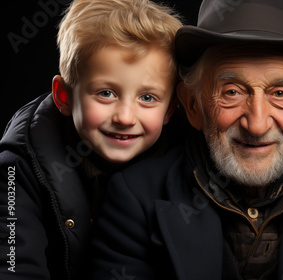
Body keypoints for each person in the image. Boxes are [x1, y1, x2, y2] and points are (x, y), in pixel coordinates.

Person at [92, 0, 283, 279]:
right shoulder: (134, 197)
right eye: (232, 92)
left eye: (279, 94)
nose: (256, 124)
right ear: (193, 106)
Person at [0, 0, 182, 279]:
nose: (125, 117)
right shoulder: (18, 168)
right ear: (65, 96)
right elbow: (14, 265)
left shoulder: (184, 162)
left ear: (170, 109)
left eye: (147, 98)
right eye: (106, 93)